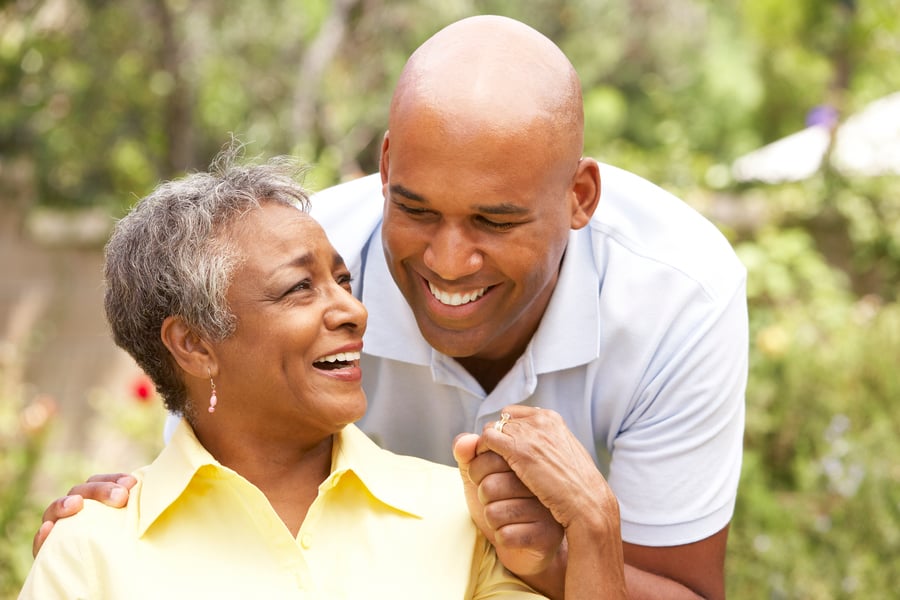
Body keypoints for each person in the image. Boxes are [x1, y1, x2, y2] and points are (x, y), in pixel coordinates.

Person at [34, 15, 746, 600]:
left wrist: (573, 545)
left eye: (495, 222)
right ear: (383, 169)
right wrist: (107, 531)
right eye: (416, 210)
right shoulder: (301, 247)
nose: (449, 260)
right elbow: (217, 439)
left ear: (580, 198)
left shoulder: (679, 295)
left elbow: (684, 588)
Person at [20, 148, 567, 598]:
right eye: (299, 288)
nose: (353, 311)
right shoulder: (91, 552)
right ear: (194, 344)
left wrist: (582, 536)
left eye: (342, 281)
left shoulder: (464, 517)